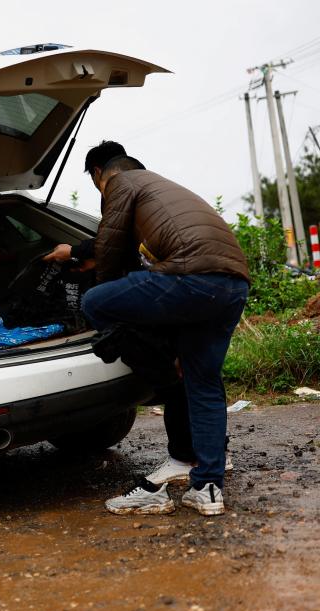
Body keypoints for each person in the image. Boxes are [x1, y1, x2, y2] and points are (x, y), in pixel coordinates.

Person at [43, 142, 233, 497]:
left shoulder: (120, 183)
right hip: (232, 282)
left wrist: (104, 295)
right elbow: (126, 244)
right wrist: (84, 253)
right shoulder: (162, 187)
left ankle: (165, 373)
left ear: (98, 173)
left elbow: (112, 248)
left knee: (98, 302)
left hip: (188, 276)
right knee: (203, 380)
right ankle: (208, 482)